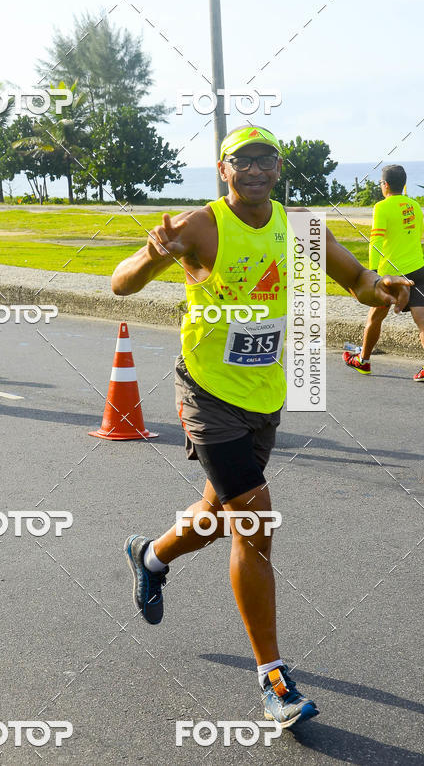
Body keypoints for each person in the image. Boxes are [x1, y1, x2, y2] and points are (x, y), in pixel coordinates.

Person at [111, 125, 412, 729]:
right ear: (223, 170)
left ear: (278, 168)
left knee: (218, 516)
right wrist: (154, 254)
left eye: (264, 159)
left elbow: (355, 280)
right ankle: (273, 680)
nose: (253, 169)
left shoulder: (298, 228)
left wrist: (384, 289)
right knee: (254, 518)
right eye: (240, 160)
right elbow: (120, 283)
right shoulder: (201, 225)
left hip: (263, 394)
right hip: (206, 388)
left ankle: (150, 557)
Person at [343, 164, 424, 380]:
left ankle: (364, 360)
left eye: (381, 183)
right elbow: (418, 237)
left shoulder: (381, 207)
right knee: (422, 321)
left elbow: (376, 241)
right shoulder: (415, 205)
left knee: (376, 317)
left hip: (391, 275)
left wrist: (372, 273)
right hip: (418, 269)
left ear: (385, 185)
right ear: (403, 184)